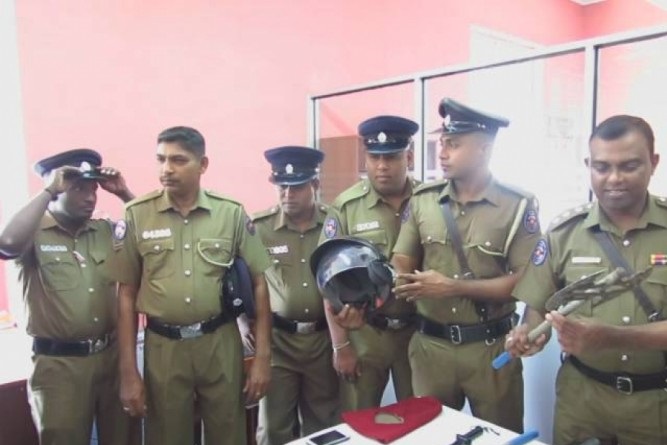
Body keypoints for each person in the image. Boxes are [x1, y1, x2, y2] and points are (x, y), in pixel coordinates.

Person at [506, 115, 667, 445]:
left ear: (653, 163)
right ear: (588, 165)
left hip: (656, 405)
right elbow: (538, 304)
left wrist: (612, 337)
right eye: (602, 167)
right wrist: (529, 333)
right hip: (581, 401)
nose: (614, 178)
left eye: (629, 166)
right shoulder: (564, 232)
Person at [109, 126, 272, 445]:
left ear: (203, 164)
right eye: (161, 159)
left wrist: (263, 359)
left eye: (178, 160)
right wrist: (128, 372)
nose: (167, 169)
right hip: (164, 347)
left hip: (219, 342)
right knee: (167, 437)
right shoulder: (136, 215)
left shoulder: (230, 213)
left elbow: (259, 284)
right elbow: (125, 295)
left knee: (228, 434)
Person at [391, 98, 540, 433]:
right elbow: (402, 257)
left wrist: (453, 287)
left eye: (454, 145)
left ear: (484, 149)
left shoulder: (516, 205)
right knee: (431, 437)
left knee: (499, 436)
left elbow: (527, 281)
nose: (442, 153)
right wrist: (398, 276)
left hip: (491, 351)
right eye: (442, 143)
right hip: (431, 349)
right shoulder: (424, 200)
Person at [0, 148, 140, 445]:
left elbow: (153, 238)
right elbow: (7, 244)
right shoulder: (33, 233)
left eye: (93, 189)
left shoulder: (104, 231)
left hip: (111, 358)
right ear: (57, 188)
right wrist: (48, 191)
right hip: (59, 366)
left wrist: (124, 193)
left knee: (123, 438)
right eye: (78, 189)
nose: (90, 197)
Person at [319, 115, 419, 410]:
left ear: (409, 157)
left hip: (418, 334)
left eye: (391, 157)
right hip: (366, 335)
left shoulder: (428, 201)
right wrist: (341, 346)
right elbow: (328, 282)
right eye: (375, 157)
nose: (382, 166)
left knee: (420, 418)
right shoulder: (347, 207)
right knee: (358, 419)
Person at [252, 146, 339, 444]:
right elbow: (242, 281)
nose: (288, 194)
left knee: (323, 426)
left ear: (314, 184)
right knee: (273, 428)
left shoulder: (334, 223)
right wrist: (244, 323)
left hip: (322, 341)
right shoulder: (260, 228)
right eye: (282, 186)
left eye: (297, 187)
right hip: (279, 343)